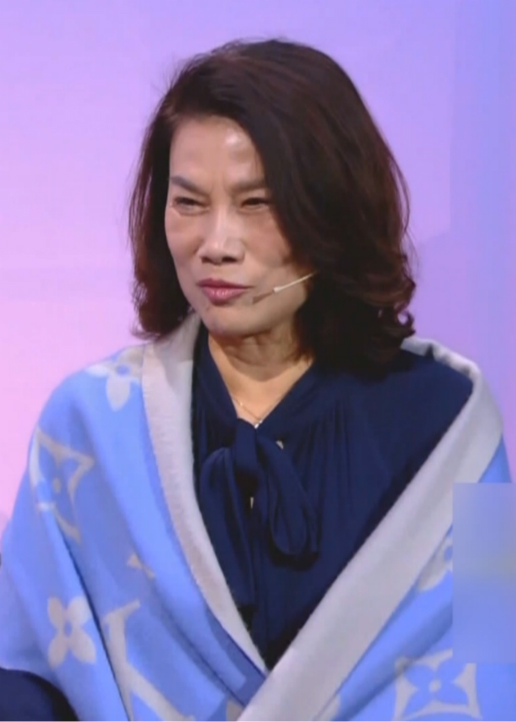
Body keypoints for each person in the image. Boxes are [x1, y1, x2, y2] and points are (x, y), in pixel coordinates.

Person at [0, 38, 514, 721]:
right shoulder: (89, 426)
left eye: (257, 203)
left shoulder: (458, 424)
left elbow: (497, 654)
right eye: (189, 202)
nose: (216, 244)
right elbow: (25, 673)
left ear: (333, 209)